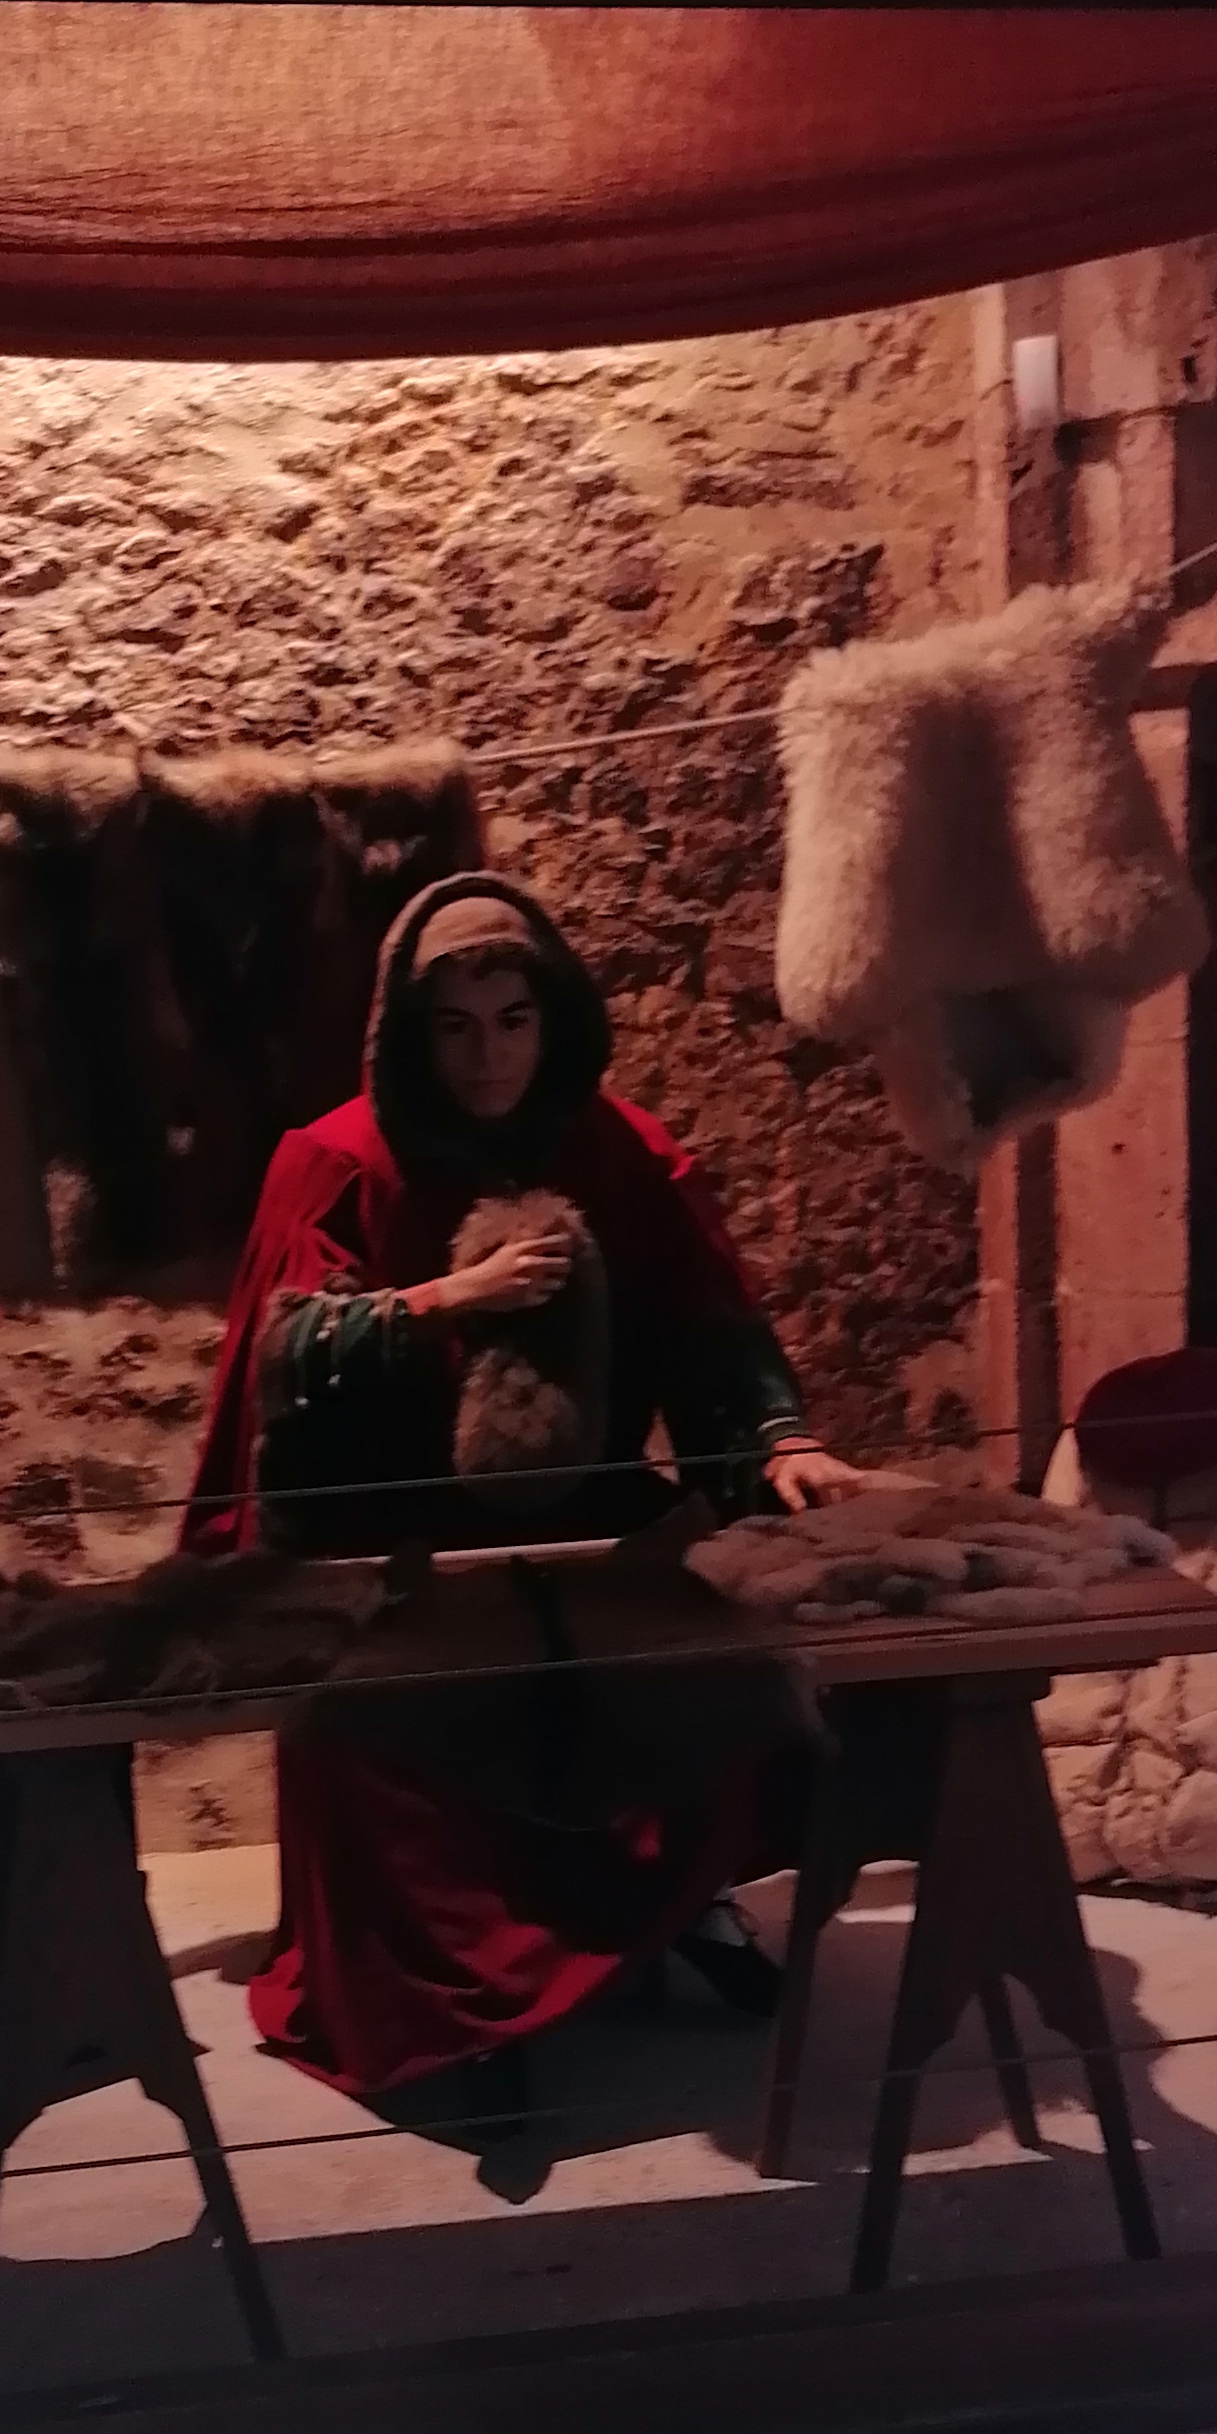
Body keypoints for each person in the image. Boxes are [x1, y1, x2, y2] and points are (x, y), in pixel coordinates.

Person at [184, 873, 864, 2119]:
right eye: (455, 1026)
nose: (488, 1054)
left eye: (512, 1019)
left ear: (554, 1019)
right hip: (398, 1529)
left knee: (717, 1667)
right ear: (410, 1031)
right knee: (403, 1735)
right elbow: (289, 1350)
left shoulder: (623, 1148)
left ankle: (684, 1912)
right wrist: (448, 1298)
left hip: (592, 1514)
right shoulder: (334, 1159)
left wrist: (779, 1438)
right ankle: (460, 2007)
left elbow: (709, 1322)